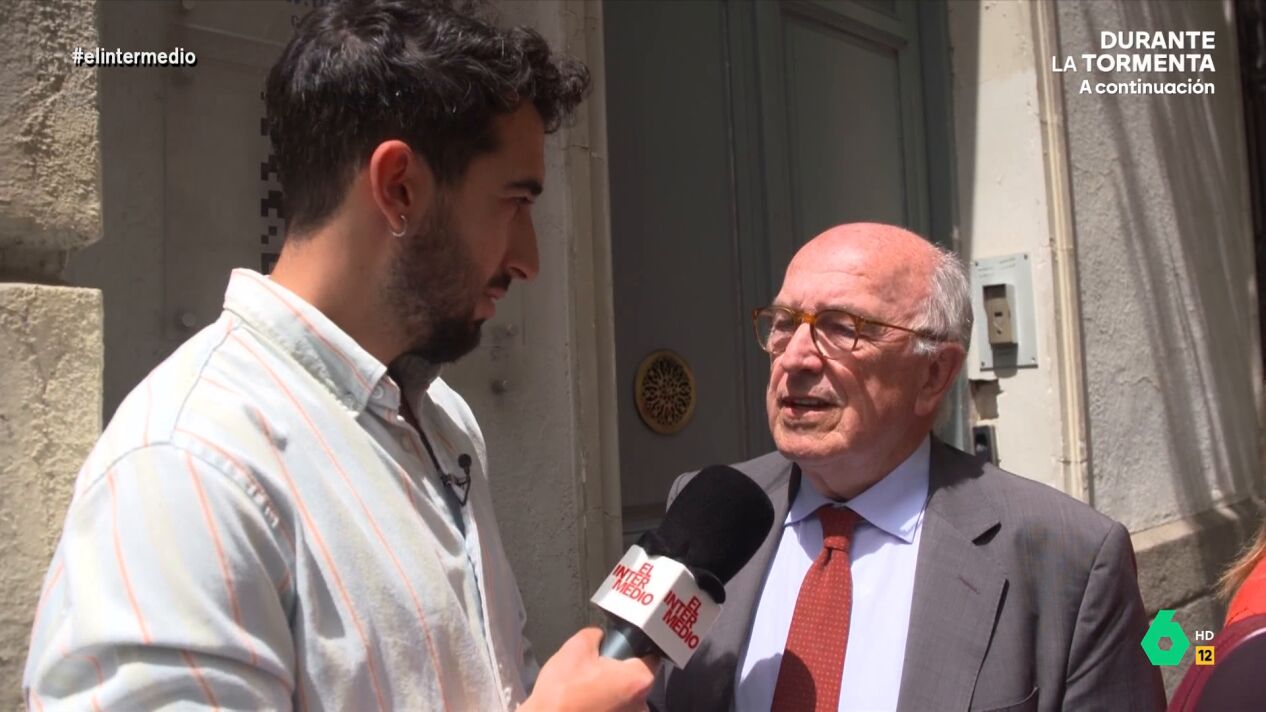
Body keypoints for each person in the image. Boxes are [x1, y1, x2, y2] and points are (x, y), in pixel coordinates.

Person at [23, 1, 653, 709]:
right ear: (399, 187)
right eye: (515, 201)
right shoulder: (189, 466)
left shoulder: (443, 420)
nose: (528, 260)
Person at [650, 223, 1165, 712]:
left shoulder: (1071, 559)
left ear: (934, 374)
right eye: (784, 323)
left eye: (841, 327)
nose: (795, 358)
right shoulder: (705, 514)